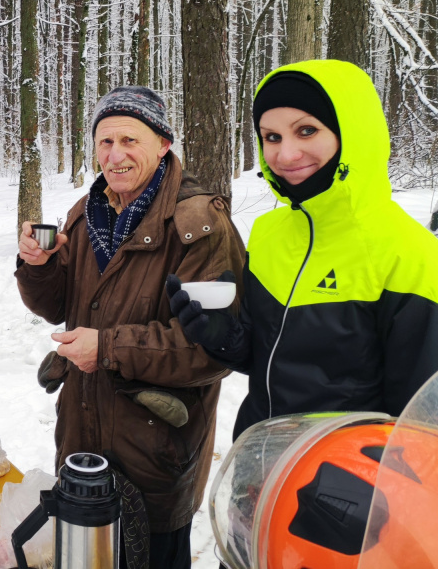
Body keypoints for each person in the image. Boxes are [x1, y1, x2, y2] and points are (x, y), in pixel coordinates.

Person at [16, 86, 246, 569]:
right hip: (82, 434)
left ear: (163, 144)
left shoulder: (199, 223)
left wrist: (108, 347)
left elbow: (211, 348)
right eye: (104, 142)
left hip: (155, 449)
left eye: (129, 141)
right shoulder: (87, 213)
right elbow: (60, 305)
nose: (114, 156)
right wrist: (38, 265)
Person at [169, 59, 438, 442]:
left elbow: (420, 428)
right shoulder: (269, 233)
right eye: (272, 137)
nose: (286, 155)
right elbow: (273, 358)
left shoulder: (410, 253)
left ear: (353, 133)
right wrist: (224, 336)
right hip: (262, 464)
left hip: (354, 487)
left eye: (307, 130)